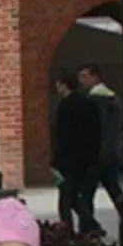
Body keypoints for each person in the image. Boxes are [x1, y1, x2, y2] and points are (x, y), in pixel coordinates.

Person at [51, 71, 101, 233]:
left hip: (68, 159)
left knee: (66, 199)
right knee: (74, 196)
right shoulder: (88, 103)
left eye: (58, 84)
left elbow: (62, 136)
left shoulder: (65, 106)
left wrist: (56, 161)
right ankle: (90, 224)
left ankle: (70, 230)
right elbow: (96, 131)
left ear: (64, 85)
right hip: (86, 158)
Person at [79, 64, 123, 213]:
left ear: (95, 76)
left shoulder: (92, 101)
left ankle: (89, 228)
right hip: (111, 152)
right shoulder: (114, 100)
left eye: (84, 76)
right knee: (115, 190)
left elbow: (88, 130)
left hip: (94, 155)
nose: (82, 81)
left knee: (86, 195)